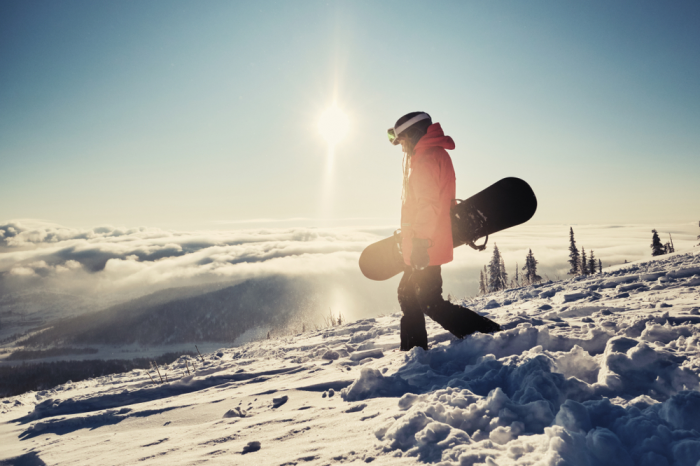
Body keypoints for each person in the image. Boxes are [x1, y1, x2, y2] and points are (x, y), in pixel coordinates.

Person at [387, 111, 500, 351]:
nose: (403, 148)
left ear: (414, 134)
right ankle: (414, 351)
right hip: (426, 240)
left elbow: (427, 205)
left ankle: (488, 334)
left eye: (403, 141)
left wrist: (419, 243)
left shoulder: (427, 160)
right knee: (409, 294)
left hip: (426, 243)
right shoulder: (431, 156)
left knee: (429, 302)